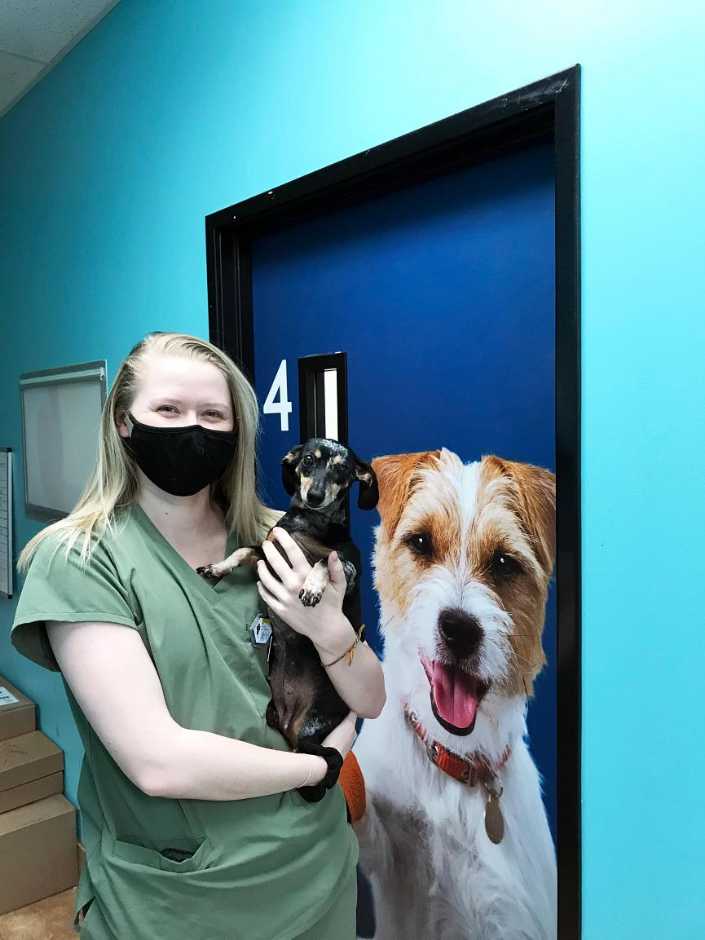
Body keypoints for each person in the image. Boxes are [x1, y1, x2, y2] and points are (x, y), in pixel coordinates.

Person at [10, 331, 386, 939]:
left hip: (315, 880)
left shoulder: (282, 542)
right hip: (181, 902)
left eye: (214, 415)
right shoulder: (80, 560)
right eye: (168, 410)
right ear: (123, 424)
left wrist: (327, 627)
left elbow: (369, 696)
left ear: (237, 432)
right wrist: (319, 767)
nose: (194, 429)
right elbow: (158, 762)